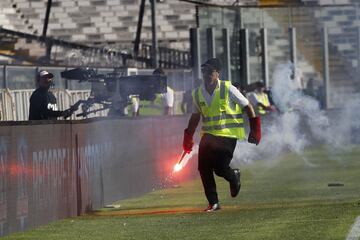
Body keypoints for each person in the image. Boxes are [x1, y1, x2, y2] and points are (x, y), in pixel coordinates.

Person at [182, 58, 261, 212]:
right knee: (203, 168)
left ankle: (234, 176)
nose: (207, 75)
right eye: (205, 71)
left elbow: (248, 106)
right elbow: (195, 116)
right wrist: (188, 137)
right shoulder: (197, 93)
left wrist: (255, 130)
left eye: (211, 72)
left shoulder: (228, 88)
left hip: (228, 135)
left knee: (219, 168)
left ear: (217, 73)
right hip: (209, 135)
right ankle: (213, 203)